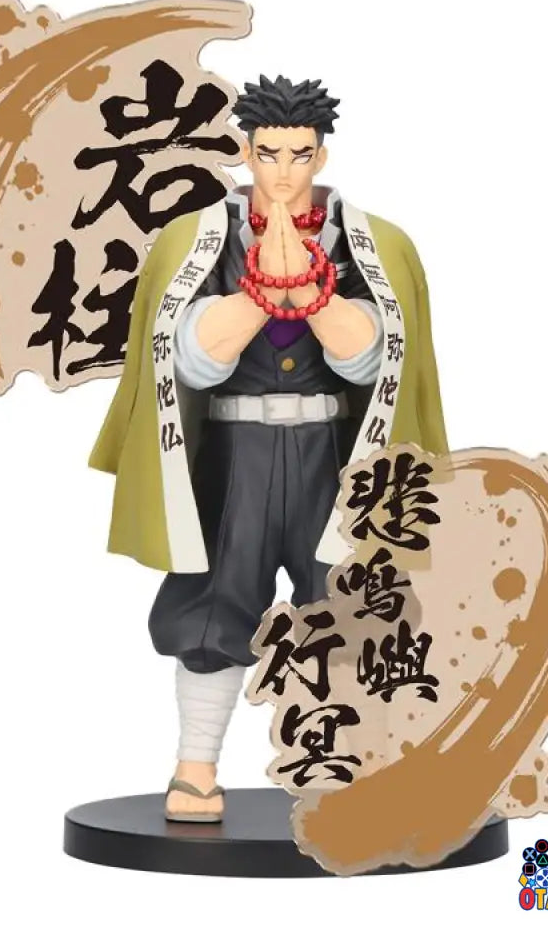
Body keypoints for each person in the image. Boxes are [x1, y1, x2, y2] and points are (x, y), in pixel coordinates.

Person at [89, 75, 448, 821]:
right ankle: (196, 767)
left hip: (332, 453)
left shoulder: (373, 243)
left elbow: (377, 361)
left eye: (300, 155)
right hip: (236, 455)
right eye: (270, 154)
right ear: (247, 151)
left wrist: (313, 296)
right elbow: (188, 361)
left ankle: (340, 772)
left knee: (344, 603)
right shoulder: (196, 239)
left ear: (321, 155)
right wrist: (257, 295)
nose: (284, 172)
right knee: (215, 602)